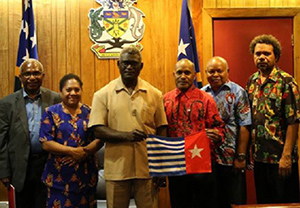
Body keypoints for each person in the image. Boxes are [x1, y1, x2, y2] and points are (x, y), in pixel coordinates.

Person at [88, 47, 168, 208]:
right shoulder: (102, 94)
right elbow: (97, 129)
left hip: (147, 168)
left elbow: (162, 130)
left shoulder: (155, 94)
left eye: (133, 63)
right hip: (117, 168)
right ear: (118, 64)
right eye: (125, 63)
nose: (129, 67)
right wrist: (127, 136)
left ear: (141, 66)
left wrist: (161, 168)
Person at [246, 34, 300, 204]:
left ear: (276, 57)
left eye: (267, 54)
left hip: (280, 159)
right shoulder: (251, 82)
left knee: (285, 203)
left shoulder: (287, 82)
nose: (262, 57)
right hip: (260, 158)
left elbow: (293, 121)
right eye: (258, 54)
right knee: (264, 202)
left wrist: (286, 157)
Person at [164, 58, 225, 208]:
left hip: (201, 165)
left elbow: (219, 128)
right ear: (174, 74)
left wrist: (217, 135)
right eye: (179, 72)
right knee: (179, 203)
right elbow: (161, 131)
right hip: (176, 165)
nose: (183, 76)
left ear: (194, 76)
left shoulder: (206, 99)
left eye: (187, 73)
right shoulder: (165, 100)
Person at [0, 59, 61, 208]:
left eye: (36, 73)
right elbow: (1, 140)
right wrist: (4, 171)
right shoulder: (7, 103)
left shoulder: (55, 99)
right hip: (20, 168)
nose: (32, 77)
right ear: (20, 77)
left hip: (48, 164)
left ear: (43, 75)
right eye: (27, 74)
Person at [39, 73, 103, 208]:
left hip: (86, 177)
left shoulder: (91, 112)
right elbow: (46, 143)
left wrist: (84, 152)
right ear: (61, 91)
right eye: (68, 90)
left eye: (76, 89)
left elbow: (100, 138)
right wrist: (73, 152)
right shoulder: (51, 112)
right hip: (58, 179)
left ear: (81, 91)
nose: (72, 93)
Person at [202, 56, 251, 207]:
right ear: (206, 73)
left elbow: (245, 125)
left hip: (232, 159)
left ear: (227, 71)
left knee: (235, 201)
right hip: (208, 160)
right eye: (211, 71)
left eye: (219, 71)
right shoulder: (201, 94)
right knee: (212, 201)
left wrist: (241, 157)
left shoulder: (238, 92)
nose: (215, 74)